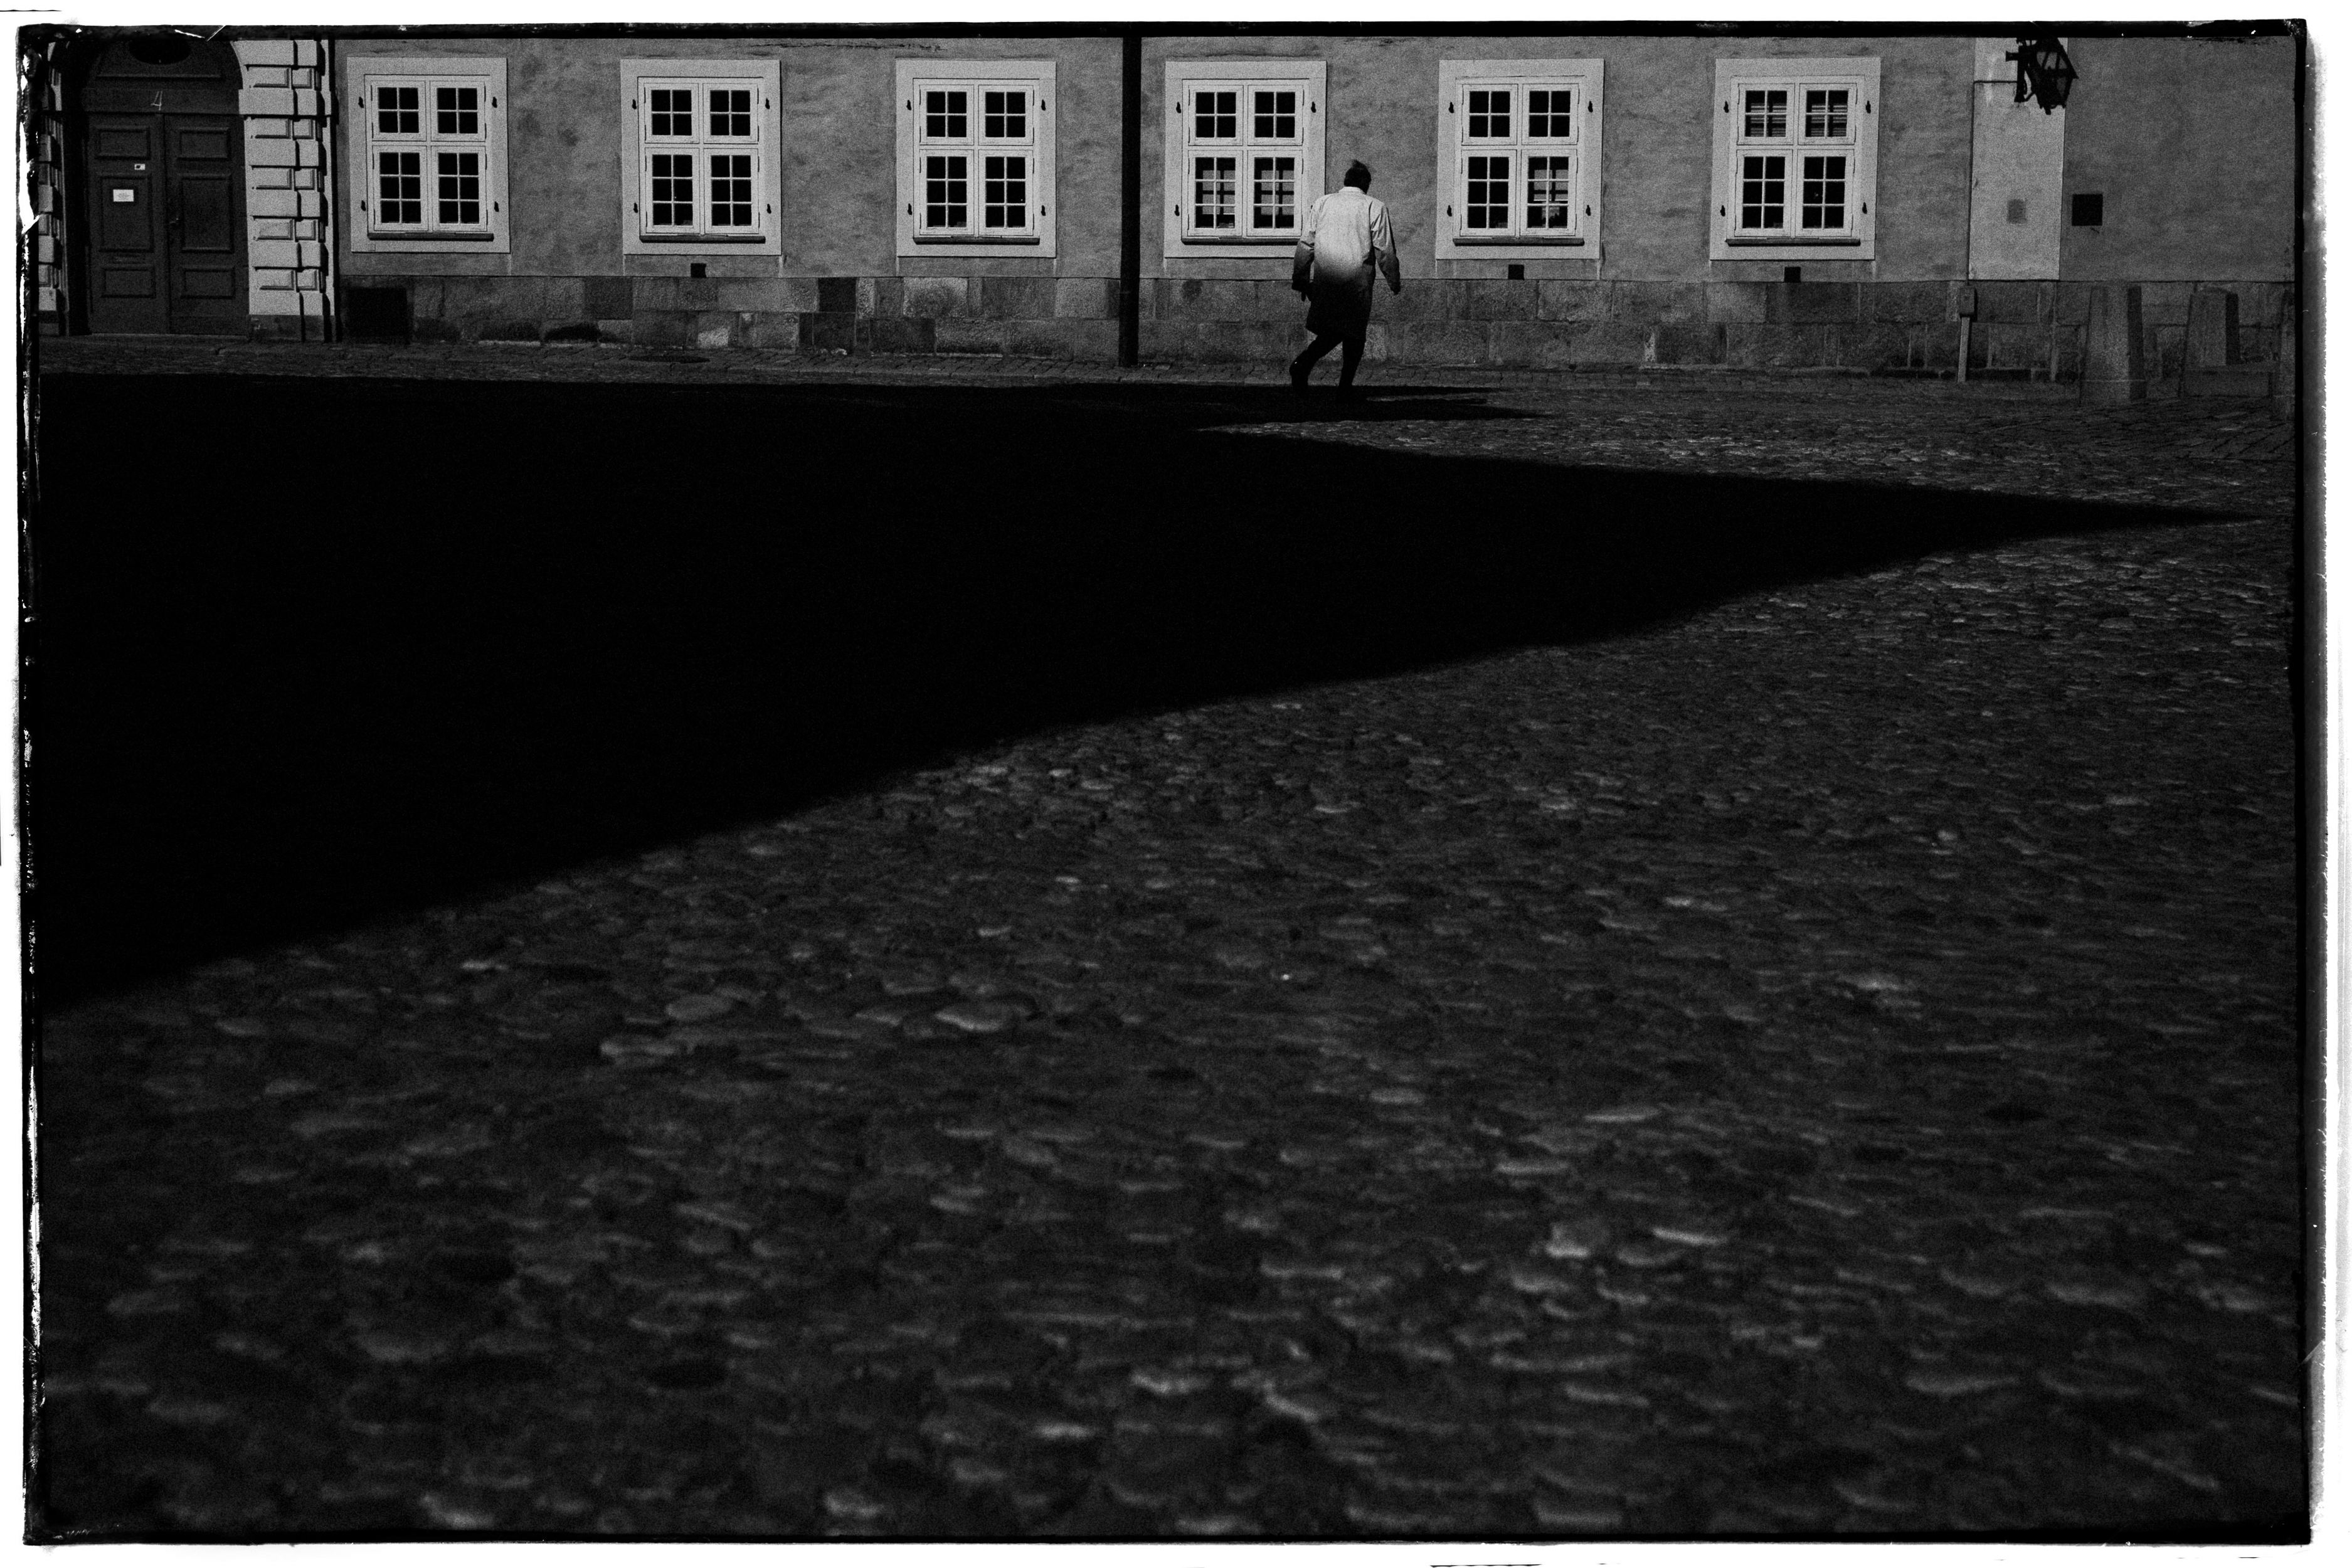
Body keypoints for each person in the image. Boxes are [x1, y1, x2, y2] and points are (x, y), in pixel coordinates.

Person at [1290, 161, 1403, 399]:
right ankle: (1342, 385)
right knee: (1354, 335)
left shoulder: (1323, 203)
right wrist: (1394, 280)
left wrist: (1301, 278)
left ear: (1346, 181)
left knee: (1334, 330)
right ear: (1366, 184)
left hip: (1327, 279)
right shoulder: (1374, 206)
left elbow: (1306, 243)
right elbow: (1384, 249)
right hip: (1356, 282)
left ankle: (1304, 365)